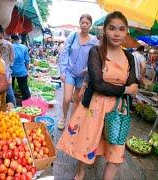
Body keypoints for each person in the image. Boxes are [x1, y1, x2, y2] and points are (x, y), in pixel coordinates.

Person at [57, 11, 139, 180]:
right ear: (105, 30)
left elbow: (133, 82)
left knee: (115, 151)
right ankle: (80, 172)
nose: (116, 33)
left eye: (121, 29)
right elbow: (98, 84)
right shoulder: (96, 52)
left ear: (126, 31)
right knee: (87, 142)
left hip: (117, 110)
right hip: (95, 106)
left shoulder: (129, 57)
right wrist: (125, 90)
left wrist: (133, 86)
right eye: (112, 28)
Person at [57, 14, 99, 130]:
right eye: (82, 22)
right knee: (67, 98)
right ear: (79, 23)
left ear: (90, 25)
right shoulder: (73, 36)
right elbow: (64, 53)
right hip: (70, 72)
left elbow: (97, 57)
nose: (84, 25)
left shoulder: (94, 41)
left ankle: (72, 120)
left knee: (76, 99)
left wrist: (90, 69)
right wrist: (63, 71)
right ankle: (63, 118)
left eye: (87, 23)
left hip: (83, 76)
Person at [0, 25, 16, 106]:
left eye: (0, 37)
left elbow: (12, 60)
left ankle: (13, 111)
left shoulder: (9, 46)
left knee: (10, 95)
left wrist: (6, 67)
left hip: (6, 74)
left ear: (4, 36)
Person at [10, 34, 31, 100]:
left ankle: (11, 105)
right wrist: (27, 71)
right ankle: (28, 104)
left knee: (10, 89)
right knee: (24, 88)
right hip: (22, 71)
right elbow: (27, 60)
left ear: (12, 40)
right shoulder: (24, 47)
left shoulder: (10, 46)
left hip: (11, 71)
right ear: (18, 39)